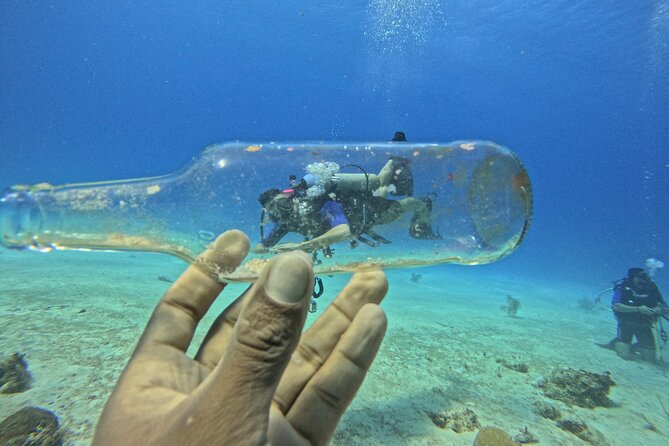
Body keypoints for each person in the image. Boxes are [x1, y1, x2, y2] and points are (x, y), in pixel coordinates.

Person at [93, 229, 388, 445]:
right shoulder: (287, 214)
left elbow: (345, 229)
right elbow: (266, 241)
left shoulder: (325, 207)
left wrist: (309, 244)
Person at [251, 158, 440, 256]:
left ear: (291, 198)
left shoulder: (322, 203)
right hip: (361, 223)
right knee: (380, 190)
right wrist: (266, 250)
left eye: (282, 205)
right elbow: (261, 246)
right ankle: (391, 162)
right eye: (273, 212)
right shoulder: (286, 223)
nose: (280, 213)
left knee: (399, 206)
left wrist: (301, 246)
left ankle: (423, 202)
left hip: (367, 213)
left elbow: (342, 231)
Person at [607, 267, 669, 363]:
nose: (642, 282)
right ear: (633, 278)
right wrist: (638, 309)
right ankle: (617, 343)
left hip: (645, 325)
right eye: (640, 278)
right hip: (626, 323)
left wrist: (660, 310)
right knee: (624, 356)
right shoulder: (623, 287)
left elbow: (666, 309)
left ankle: (637, 346)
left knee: (650, 360)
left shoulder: (652, 289)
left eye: (645, 279)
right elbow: (616, 306)